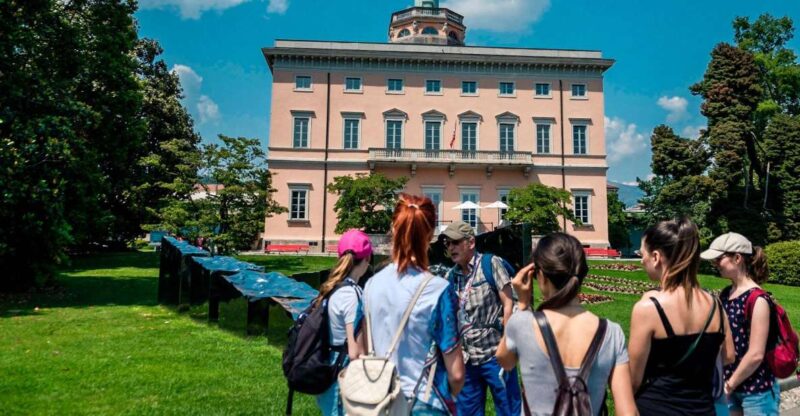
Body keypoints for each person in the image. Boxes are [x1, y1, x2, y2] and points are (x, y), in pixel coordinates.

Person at [496, 233, 637, 416]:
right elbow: (628, 411)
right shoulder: (612, 333)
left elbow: (504, 361)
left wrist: (522, 304)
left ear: (541, 276)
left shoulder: (522, 323)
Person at [363, 194, 466, 415]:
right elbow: (456, 373)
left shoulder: (371, 285)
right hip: (425, 399)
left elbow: (362, 349)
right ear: (430, 234)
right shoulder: (438, 289)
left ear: (393, 228)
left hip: (378, 398)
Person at [629, 219, 735, 415]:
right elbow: (729, 356)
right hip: (702, 408)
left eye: (641, 254)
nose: (641, 260)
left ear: (656, 257)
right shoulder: (715, 304)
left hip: (657, 407)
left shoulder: (649, 308)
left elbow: (633, 380)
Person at [440, 221, 521, 416]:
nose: (451, 248)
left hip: (496, 355)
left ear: (471, 243)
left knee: (509, 409)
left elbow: (509, 304)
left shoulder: (490, 264)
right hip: (467, 358)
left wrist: (506, 345)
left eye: (455, 242)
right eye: (448, 244)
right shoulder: (452, 276)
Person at [701, 232, 780, 416]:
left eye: (719, 258)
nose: (714, 264)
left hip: (756, 392)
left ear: (737, 258)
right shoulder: (726, 294)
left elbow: (756, 354)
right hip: (731, 386)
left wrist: (729, 385)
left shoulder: (758, 299)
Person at [314, 229, 372, 416]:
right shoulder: (352, 295)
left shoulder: (333, 288)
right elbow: (355, 351)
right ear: (367, 259)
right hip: (343, 372)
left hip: (328, 366)